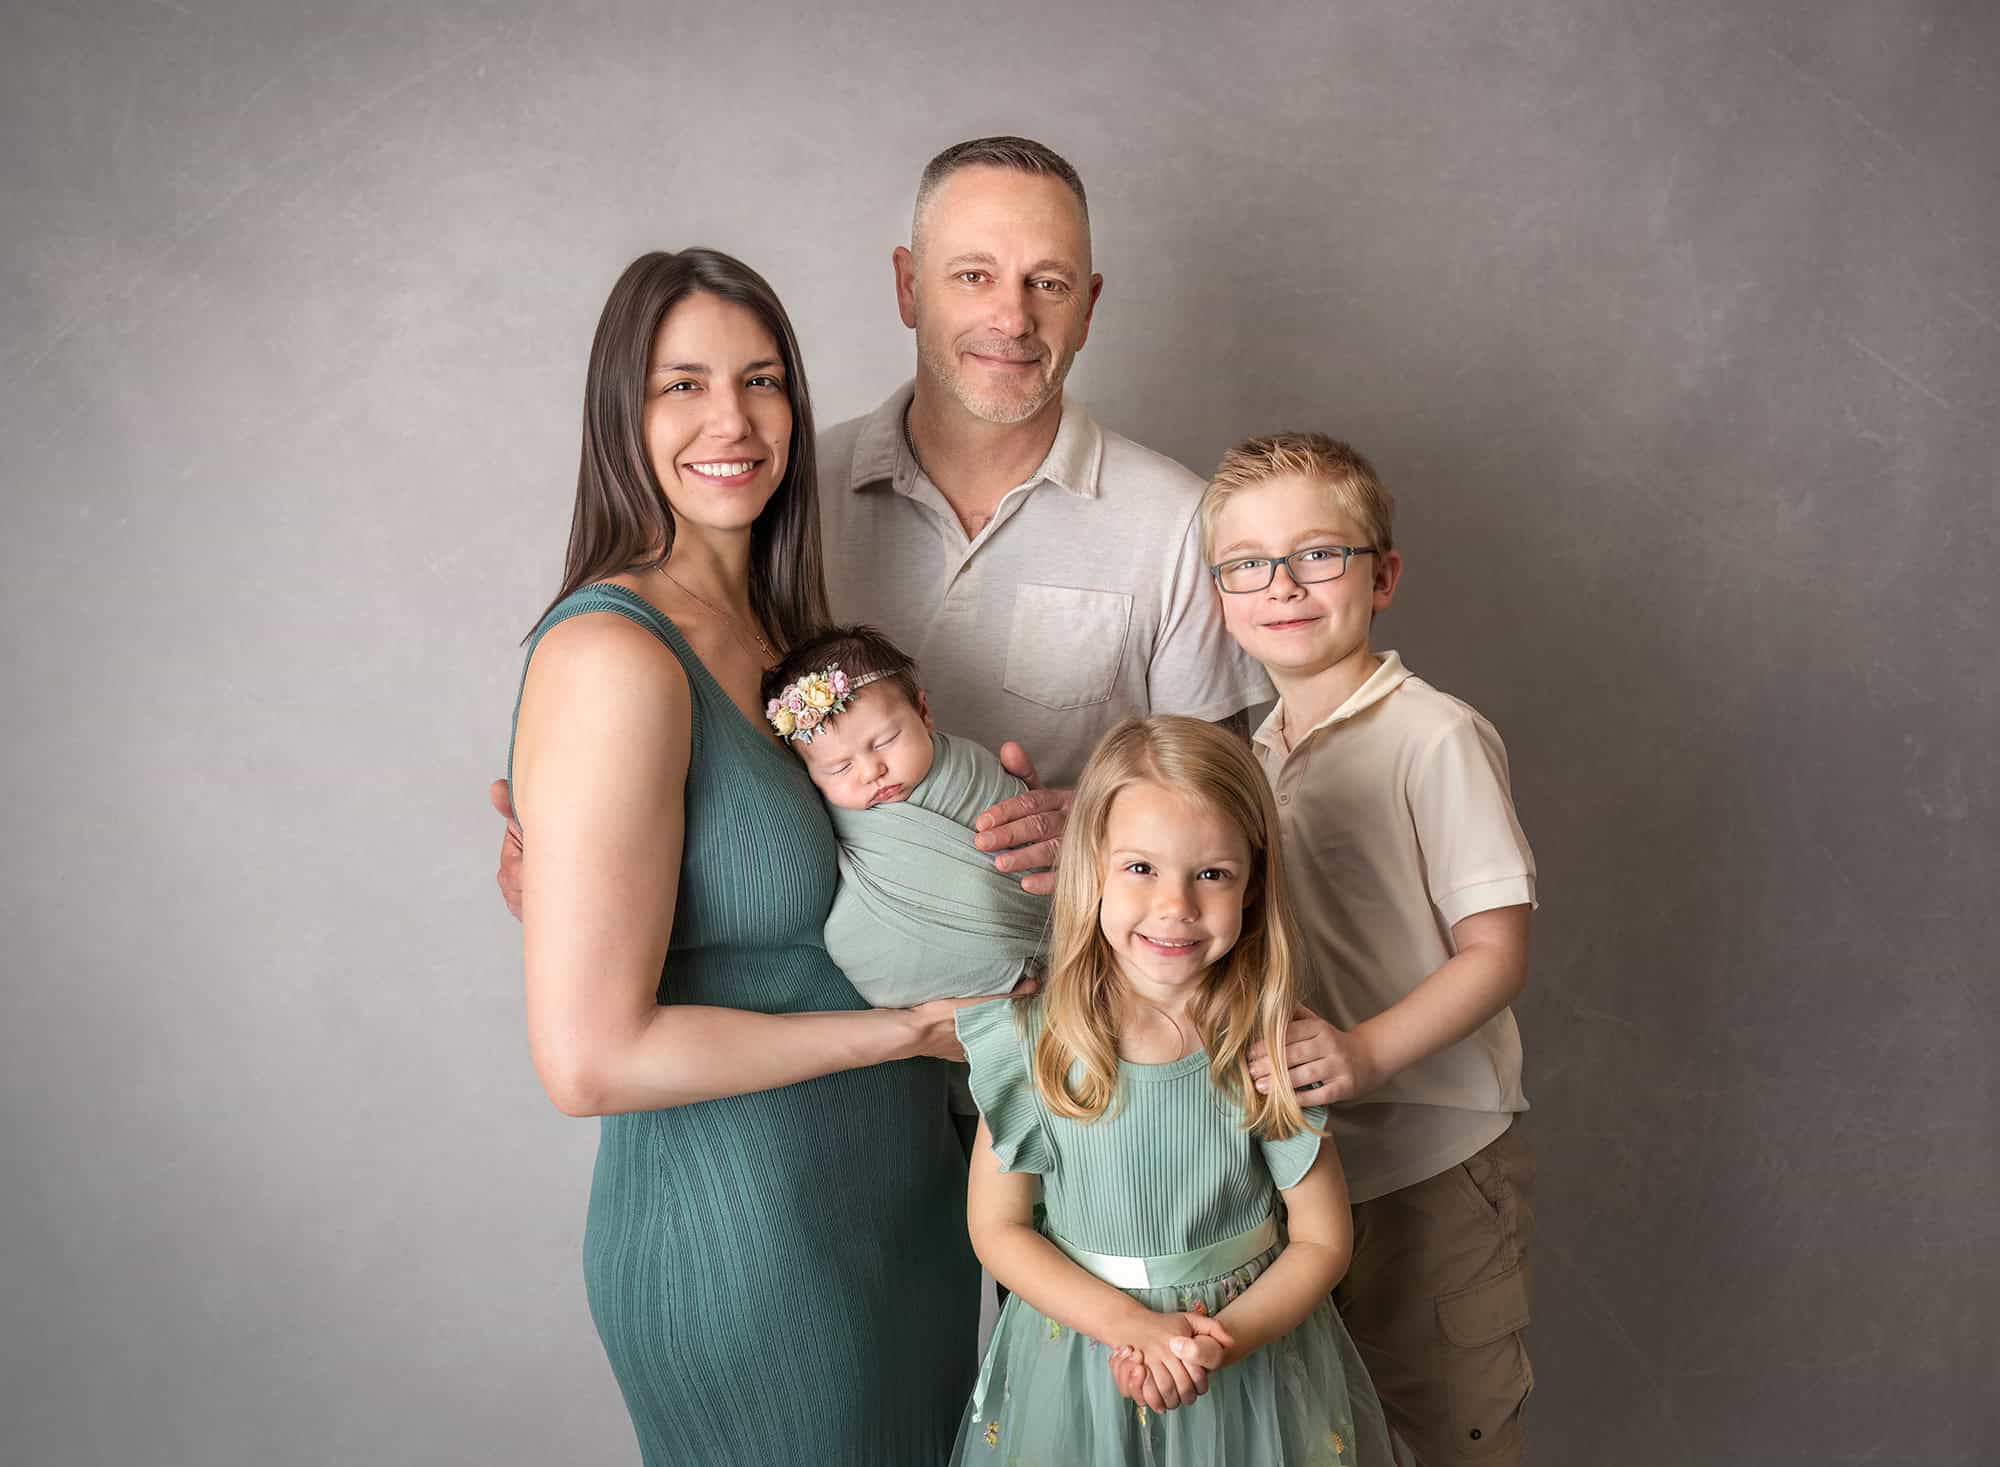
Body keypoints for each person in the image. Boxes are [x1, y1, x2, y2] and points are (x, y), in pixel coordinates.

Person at [492, 135, 1269, 908]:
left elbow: (1234, 813)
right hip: (820, 968)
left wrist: (1111, 832)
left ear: (1089, 307)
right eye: (973, 275)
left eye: (1049, 282)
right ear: (907, 286)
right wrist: (583, 849)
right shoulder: (780, 494)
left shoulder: (1179, 522)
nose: (1012, 317)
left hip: (1063, 975)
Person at [505, 247, 981, 1465]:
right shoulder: (612, 658)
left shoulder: (784, 640)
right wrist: (900, 1034)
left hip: (895, 1219)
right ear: (619, 413)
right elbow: (590, 1060)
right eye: (683, 384)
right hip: (750, 1241)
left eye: (761, 380)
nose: (732, 420)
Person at [1202, 434, 1538, 1465]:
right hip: (1297, 1175)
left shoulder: (1434, 735)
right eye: (1246, 563)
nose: (1282, 585)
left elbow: (1496, 953)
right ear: (1218, 596)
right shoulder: (1251, 757)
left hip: (1428, 1165)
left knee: (1448, 1434)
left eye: (1317, 554)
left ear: (1381, 576)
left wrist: (1363, 1053)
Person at [949, 716, 1394, 1464]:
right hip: (1081, 1357)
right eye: (1140, 868)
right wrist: (1129, 1328)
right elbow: (999, 1229)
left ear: (1253, 885)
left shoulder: (1271, 1042)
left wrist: (1216, 1344)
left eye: (1211, 874)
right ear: (1091, 867)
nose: (1176, 905)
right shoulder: (1034, 1042)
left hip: (1246, 1365)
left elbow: (1322, 1238)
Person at [759, 624, 1048, 1013]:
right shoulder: (831, 817)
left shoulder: (969, 772)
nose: (871, 771)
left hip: (1026, 938)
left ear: (923, 713)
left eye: (884, 742)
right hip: (911, 990)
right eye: (839, 767)